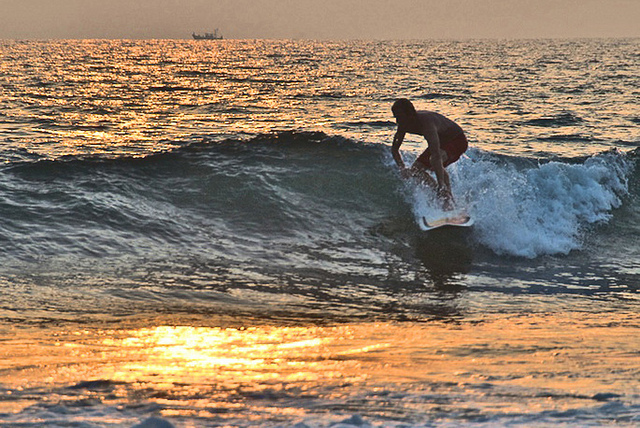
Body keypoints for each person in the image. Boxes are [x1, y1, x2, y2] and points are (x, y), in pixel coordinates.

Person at [391, 98, 468, 210]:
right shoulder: (403, 124)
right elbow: (394, 150)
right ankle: (439, 196)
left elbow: (436, 156)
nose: (397, 121)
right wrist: (402, 168)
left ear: (410, 114)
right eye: (395, 117)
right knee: (416, 170)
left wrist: (441, 184)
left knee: (435, 160)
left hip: (457, 140)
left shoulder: (427, 124)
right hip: (442, 141)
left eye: (399, 116)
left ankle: (447, 199)